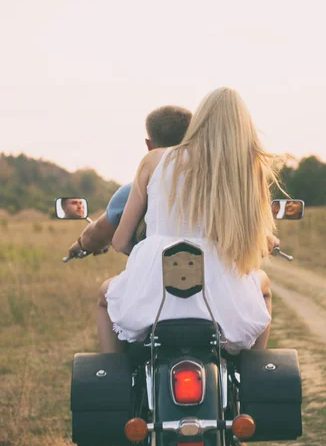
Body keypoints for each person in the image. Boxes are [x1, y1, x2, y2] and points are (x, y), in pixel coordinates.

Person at [99, 88, 278, 354]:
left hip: (154, 287)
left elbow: (120, 241)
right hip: (219, 292)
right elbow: (255, 240)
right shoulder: (247, 169)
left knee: (105, 297)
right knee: (263, 288)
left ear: (200, 120)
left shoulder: (154, 159)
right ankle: (255, 373)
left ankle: (113, 380)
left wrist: (144, 253)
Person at [67, 106, 192, 258]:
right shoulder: (213, 189)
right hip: (208, 272)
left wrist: (80, 244)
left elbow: (99, 234)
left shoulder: (133, 191)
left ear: (149, 145)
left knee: (106, 283)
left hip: (150, 269)